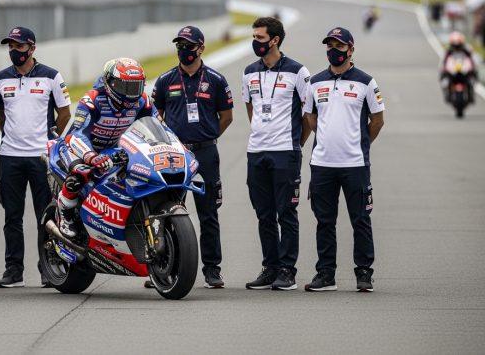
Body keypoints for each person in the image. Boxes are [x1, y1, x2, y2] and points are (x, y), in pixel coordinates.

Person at [303, 27, 385, 292]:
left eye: (339, 46)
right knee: (324, 221)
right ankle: (326, 274)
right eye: (329, 46)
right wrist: (328, 137)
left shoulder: (366, 82)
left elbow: (378, 120)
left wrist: (359, 144)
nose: (333, 51)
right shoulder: (314, 82)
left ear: (351, 50)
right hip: (323, 163)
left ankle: (364, 273)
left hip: (355, 165)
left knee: (360, 219)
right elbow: (310, 118)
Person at [150, 25, 233, 289]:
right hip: (174, 153)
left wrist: (206, 137)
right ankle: (162, 268)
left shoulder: (216, 80)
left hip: (205, 152)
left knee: (208, 213)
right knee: (165, 212)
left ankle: (212, 270)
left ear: (201, 48)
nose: (183, 50)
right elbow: (155, 117)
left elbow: (227, 117)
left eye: (188, 45)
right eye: (179, 45)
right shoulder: (164, 81)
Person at [0, 27, 72, 288]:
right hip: (10, 156)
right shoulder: (1, 79)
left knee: (47, 216)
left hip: (42, 158)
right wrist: (12, 135)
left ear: (32, 48)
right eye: (11, 46)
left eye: (19, 46)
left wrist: (51, 141)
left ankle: (47, 269)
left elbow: (64, 113)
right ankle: (13, 271)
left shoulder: (51, 76)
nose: (14, 51)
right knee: (11, 216)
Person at [241, 17, 311, 291]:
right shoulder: (248, 72)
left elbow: (308, 116)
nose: (255, 42)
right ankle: (269, 268)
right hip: (256, 152)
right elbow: (251, 110)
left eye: (259, 38)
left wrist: (295, 144)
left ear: (275, 40)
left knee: (287, 212)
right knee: (264, 214)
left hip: (286, 152)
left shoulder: (298, 71)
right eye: (254, 37)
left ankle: (287, 270)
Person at [56, 58, 153, 239]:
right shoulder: (93, 99)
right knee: (81, 174)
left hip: (112, 149)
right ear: (110, 83)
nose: (131, 93)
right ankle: (64, 214)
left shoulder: (143, 102)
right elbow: (76, 134)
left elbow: (156, 125)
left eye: (135, 87)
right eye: (125, 87)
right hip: (76, 147)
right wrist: (91, 156)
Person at [440, 31, 478, 104]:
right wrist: (443, 70)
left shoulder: (467, 49)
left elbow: (472, 59)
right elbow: (443, 61)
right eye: (455, 45)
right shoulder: (448, 51)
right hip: (452, 70)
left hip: (463, 69)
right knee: (444, 81)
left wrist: (473, 69)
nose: (456, 46)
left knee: (473, 79)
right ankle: (447, 93)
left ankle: (471, 94)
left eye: (458, 44)